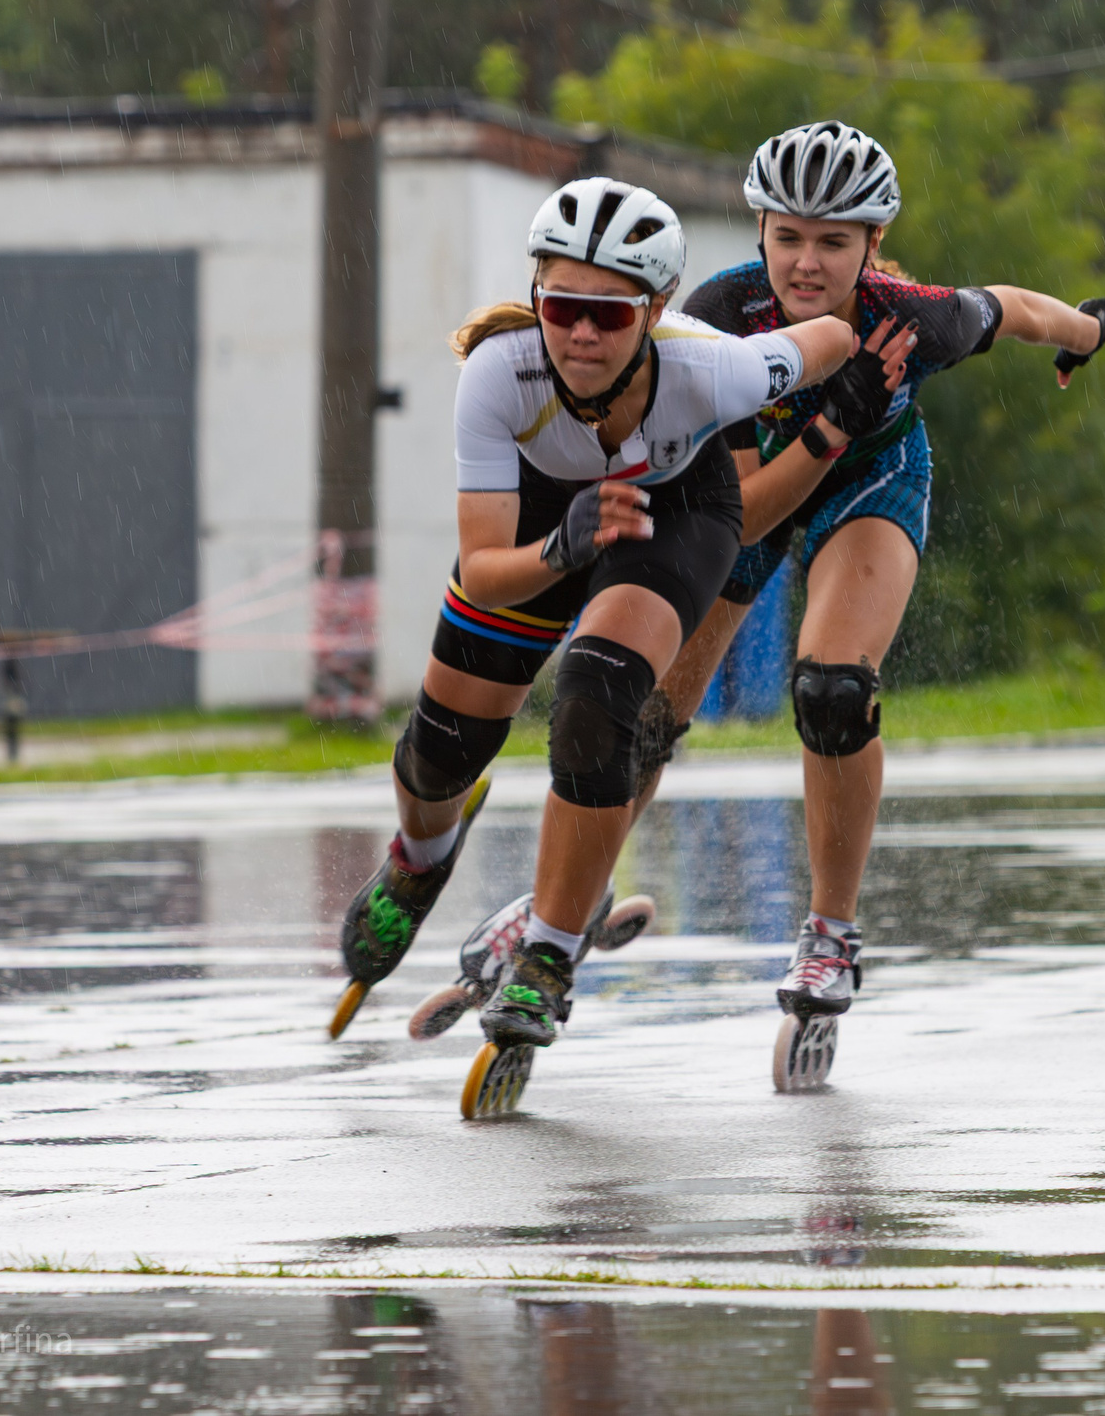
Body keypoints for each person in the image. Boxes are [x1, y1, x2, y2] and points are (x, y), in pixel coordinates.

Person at [326, 176, 855, 1054]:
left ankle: (547, 956)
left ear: (656, 311)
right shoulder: (501, 373)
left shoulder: (714, 364)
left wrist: (849, 391)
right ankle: (421, 861)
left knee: (594, 703)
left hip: (671, 514)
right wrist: (564, 547)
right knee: (438, 755)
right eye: (562, 305)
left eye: (610, 316)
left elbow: (831, 336)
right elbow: (488, 571)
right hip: (542, 527)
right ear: (535, 295)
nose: (579, 332)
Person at [648, 119, 1105, 1037]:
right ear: (758, 229)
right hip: (753, 488)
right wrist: (825, 419)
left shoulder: (913, 317)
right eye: (787, 236)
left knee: (832, 690)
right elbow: (747, 515)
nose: (805, 264)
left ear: (873, 244)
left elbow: (1017, 308)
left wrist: (1089, 330)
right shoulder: (718, 319)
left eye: (834, 242)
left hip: (871, 480)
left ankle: (830, 932)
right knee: (640, 719)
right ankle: (560, 920)